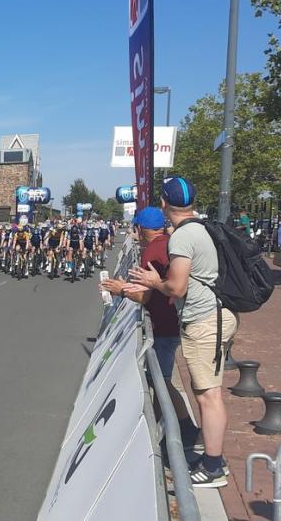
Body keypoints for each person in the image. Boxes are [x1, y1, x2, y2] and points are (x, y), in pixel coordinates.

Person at [126, 176, 237, 488]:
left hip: (204, 319)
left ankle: (213, 466)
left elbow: (176, 286)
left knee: (208, 395)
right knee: (207, 393)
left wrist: (152, 283)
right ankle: (209, 455)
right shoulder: (202, 228)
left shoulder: (183, 237)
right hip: (215, 315)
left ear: (164, 203)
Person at [101, 207, 195, 446]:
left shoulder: (151, 252)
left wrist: (120, 290)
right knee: (158, 380)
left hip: (165, 324)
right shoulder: (170, 242)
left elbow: (145, 297)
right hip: (175, 319)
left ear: (141, 229)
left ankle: (185, 430)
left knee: (161, 383)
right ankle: (164, 434)